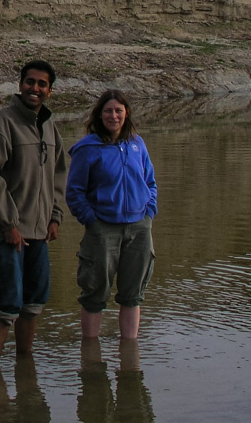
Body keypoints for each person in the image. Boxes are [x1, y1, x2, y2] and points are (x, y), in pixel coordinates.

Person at [0, 60, 67, 367]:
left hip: (39, 230)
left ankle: (25, 369)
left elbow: (58, 175)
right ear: (19, 85)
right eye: (30, 82)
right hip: (4, 231)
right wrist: (8, 224)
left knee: (34, 301)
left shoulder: (51, 127)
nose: (34, 88)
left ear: (50, 91)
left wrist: (55, 216)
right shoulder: (1, 123)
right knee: (8, 303)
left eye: (42, 84)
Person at [65, 89, 157, 340]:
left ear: (126, 114)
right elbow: (74, 193)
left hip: (139, 228)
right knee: (94, 295)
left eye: (118, 110)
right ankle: (90, 353)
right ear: (99, 114)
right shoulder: (86, 149)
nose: (113, 116)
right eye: (108, 110)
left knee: (133, 295)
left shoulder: (137, 144)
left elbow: (150, 182)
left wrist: (149, 212)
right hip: (102, 229)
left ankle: (130, 357)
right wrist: (92, 221)